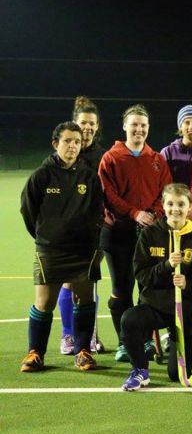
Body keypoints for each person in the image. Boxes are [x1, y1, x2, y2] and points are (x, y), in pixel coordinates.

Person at [20, 122, 104, 373]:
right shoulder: (41, 176)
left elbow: (97, 210)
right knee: (44, 302)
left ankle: (82, 351)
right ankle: (36, 353)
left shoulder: (89, 176)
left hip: (83, 250)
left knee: (84, 299)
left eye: (77, 142)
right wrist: (46, 236)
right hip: (51, 249)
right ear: (56, 144)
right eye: (67, 141)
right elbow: (28, 211)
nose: (73, 146)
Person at [98, 104, 172, 362]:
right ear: (125, 127)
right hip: (118, 234)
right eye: (135, 124)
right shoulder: (111, 157)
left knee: (147, 287)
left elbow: (166, 192)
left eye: (143, 125)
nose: (139, 129)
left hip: (149, 234)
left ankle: (144, 341)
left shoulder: (156, 159)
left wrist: (153, 213)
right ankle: (123, 342)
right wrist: (134, 213)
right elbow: (108, 195)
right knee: (122, 288)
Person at [120, 183, 192, 391]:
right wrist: (166, 266)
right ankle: (140, 370)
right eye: (170, 204)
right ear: (163, 205)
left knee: (175, 375)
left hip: (184, 310)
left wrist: (188, 285)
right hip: (154, 306)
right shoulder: (149, 234)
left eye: (181, 204)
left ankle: (179, 347)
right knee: (130, 320)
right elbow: (141, 275)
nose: (175, 209)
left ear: (190, 207)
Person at [58, 96, 106, 355]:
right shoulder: (66, 153)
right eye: (83, 123)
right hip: (67, 231)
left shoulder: (103, 156)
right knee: (67, 282)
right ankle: (67, 335)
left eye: (91, 124)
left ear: (97, 127)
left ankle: (88, 337)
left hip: (95, 230)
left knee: (88, 282)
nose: (87, 128)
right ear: (74, 123)